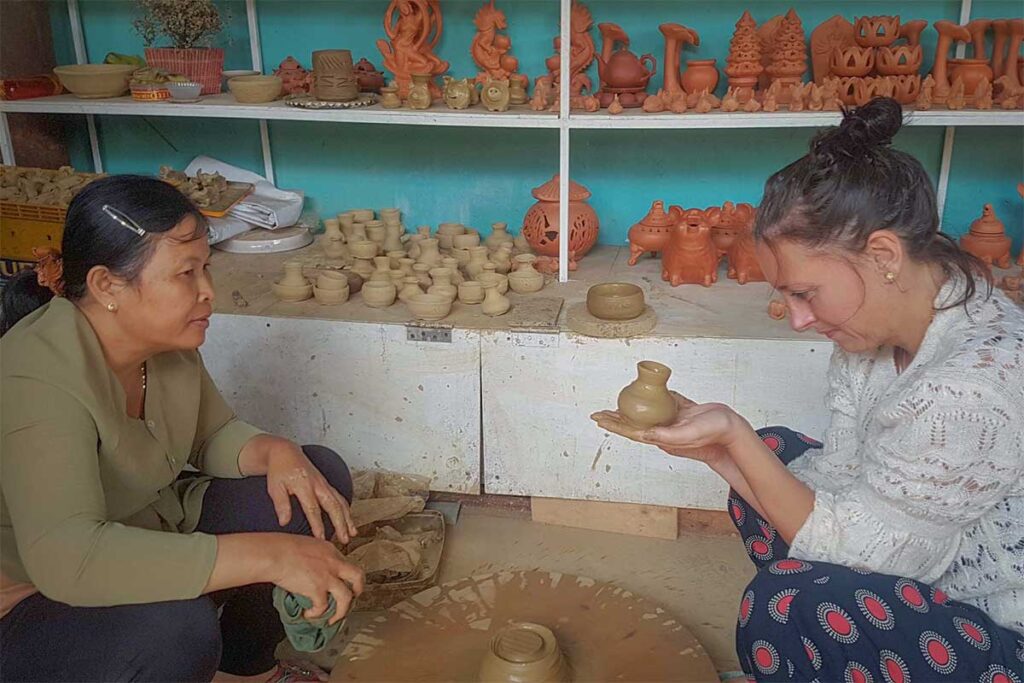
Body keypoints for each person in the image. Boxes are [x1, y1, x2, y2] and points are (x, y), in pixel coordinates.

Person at [593, 97, 1024, 681]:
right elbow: (840, 478)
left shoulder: (967, 390)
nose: (797, 319)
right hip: (918, 553)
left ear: (883, 255)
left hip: (1002, 625)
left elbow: (874, 557)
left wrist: (734, 438)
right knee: (771, 454)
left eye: (804, 293)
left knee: (787, 603)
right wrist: (722, 451)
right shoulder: (881, 332)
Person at [0, 175, 365, 682]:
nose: (207, 292)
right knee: (176, 628)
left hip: (149, 524)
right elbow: (71, 560)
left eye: (205, 269)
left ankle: (247, 672)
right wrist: (268, 556)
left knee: (313, 480)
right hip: (38, 597)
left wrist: (275, 452)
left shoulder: (165, 343)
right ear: (107, 286)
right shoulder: (35, 374)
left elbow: (211, 435)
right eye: (185, 274)